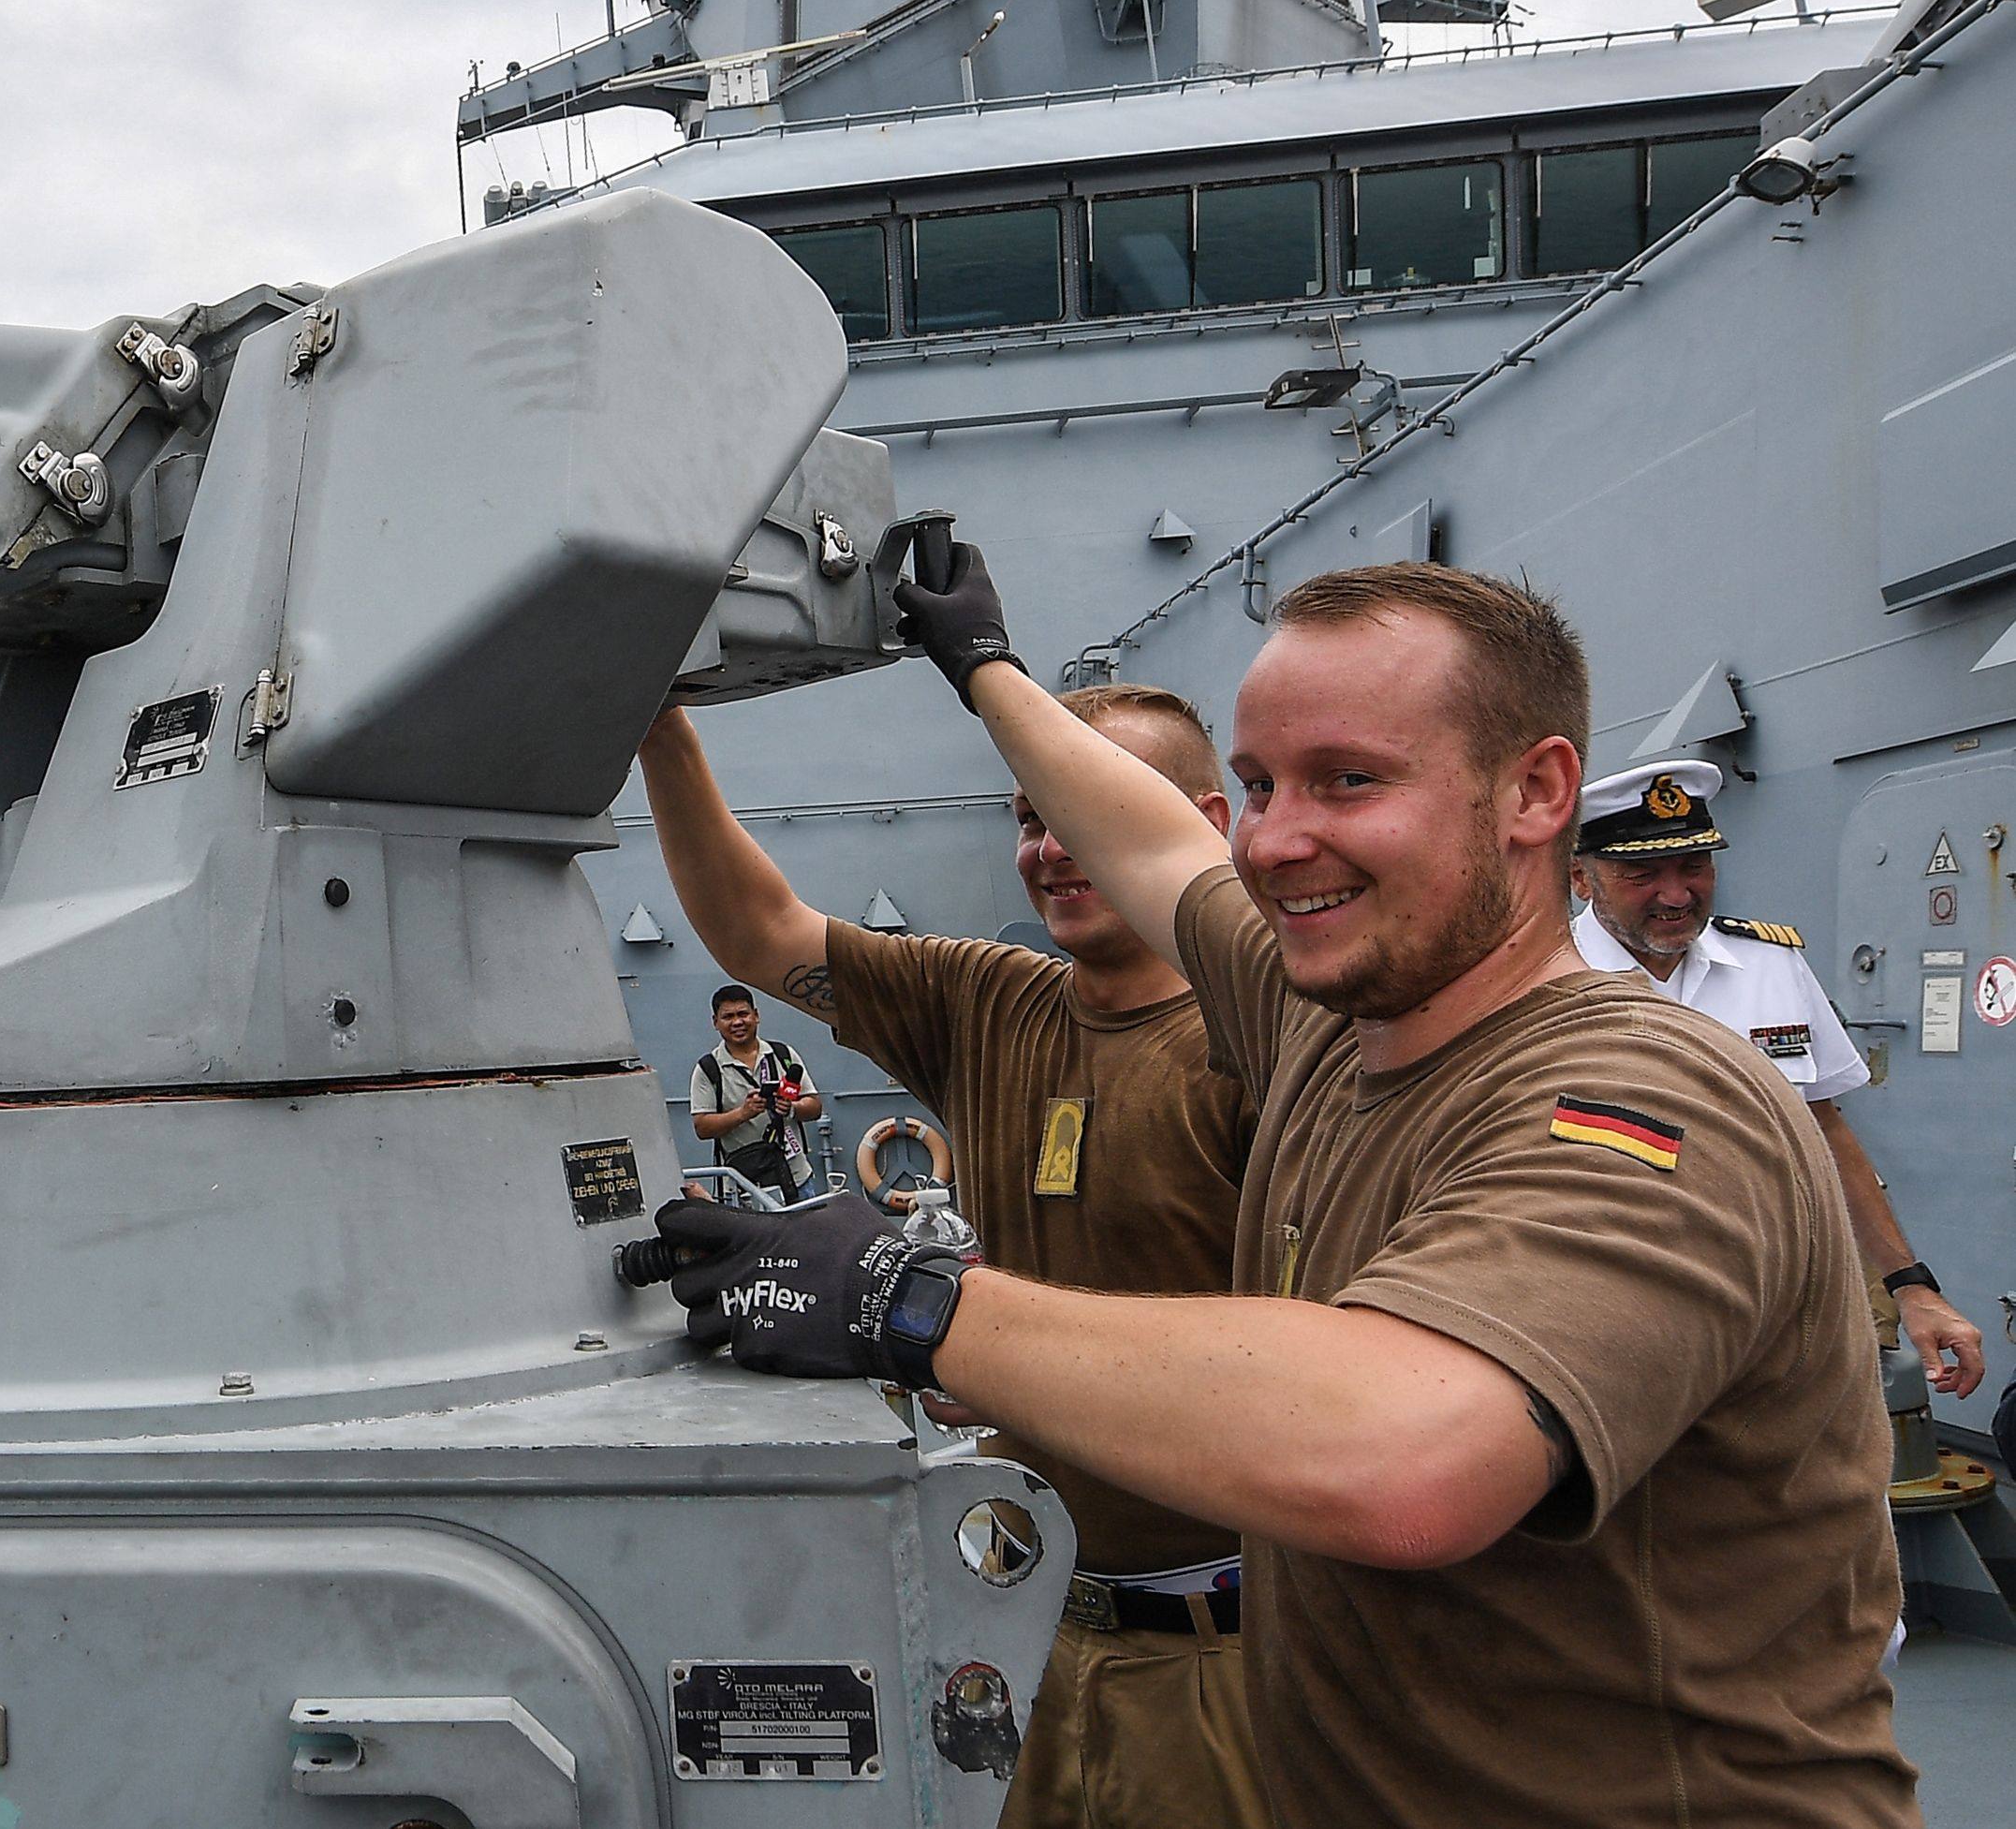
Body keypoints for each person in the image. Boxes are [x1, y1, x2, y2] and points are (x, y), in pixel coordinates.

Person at [646, 553, 1912, 1826]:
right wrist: (984, 672)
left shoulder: (1644, 1090)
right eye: (1255, 787)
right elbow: (1151, 843)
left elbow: (1412, 1452)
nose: (1273, 837)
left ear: (1534, 792)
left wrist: (908, 1298)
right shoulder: (1326, 1017)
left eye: (1347, 780)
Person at [640, 696, 1264, 1829]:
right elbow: (760, 930)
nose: (1049, 848)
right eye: (1029, 817)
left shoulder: (1268, 1047)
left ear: (1201, 822)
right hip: (1025, 1625)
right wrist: (658, 732)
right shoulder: (992, 1002)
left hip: (1220, 1651)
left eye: (1078, 811)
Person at [1571, 758, 1984, 1398]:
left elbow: (1823, 1129)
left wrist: (1913, 1285)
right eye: (1643, 873)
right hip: (1612, 1322)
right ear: (1582, 879)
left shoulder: (1769, 965)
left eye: (1695, 866)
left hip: (1774, 1312)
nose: (1678, 895)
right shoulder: (1541, 988)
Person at [685, 981, 821, 1201]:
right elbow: (702, 1127)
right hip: (745, 1186)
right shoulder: (708, 1069)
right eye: (728, 1017)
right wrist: (743, 1113)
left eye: (743, 1014)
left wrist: (791, 1108)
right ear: (715, 1022)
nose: (737, 1022)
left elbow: (814, 1106)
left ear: (756, 1015)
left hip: (797, 1178)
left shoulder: (783, 1054)